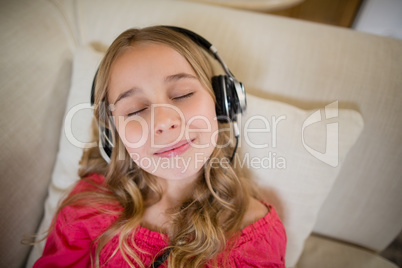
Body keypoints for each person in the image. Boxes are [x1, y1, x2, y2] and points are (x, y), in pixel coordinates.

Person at [34, 26, 286, 267]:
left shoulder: (255, 236)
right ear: (114, 135)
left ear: (222, 104)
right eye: (136, 110)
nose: (164, 122)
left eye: (182, 94)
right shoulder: (88, 209)